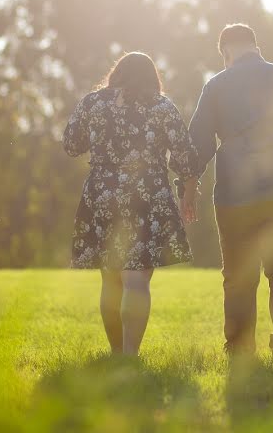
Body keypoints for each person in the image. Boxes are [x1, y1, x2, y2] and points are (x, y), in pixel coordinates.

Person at [179, 23, 273, 363]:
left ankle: (240, 349)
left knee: (238, 274)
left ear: (226, 52)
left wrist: (188, 189)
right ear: (255, 46)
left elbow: (198, 145)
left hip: (235, 196)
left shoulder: (217, 85)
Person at [63, 52, 199, 356]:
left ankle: (115, 353)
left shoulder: (93, 103)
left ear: (117, 74)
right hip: (147, 196)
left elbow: (72, 144)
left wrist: (100, 136)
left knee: (110, 280)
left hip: (102, 195)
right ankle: (130, 354)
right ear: (152, 78)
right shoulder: (161, 106)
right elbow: (186, 157)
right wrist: (189, 194)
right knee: (136, 279)